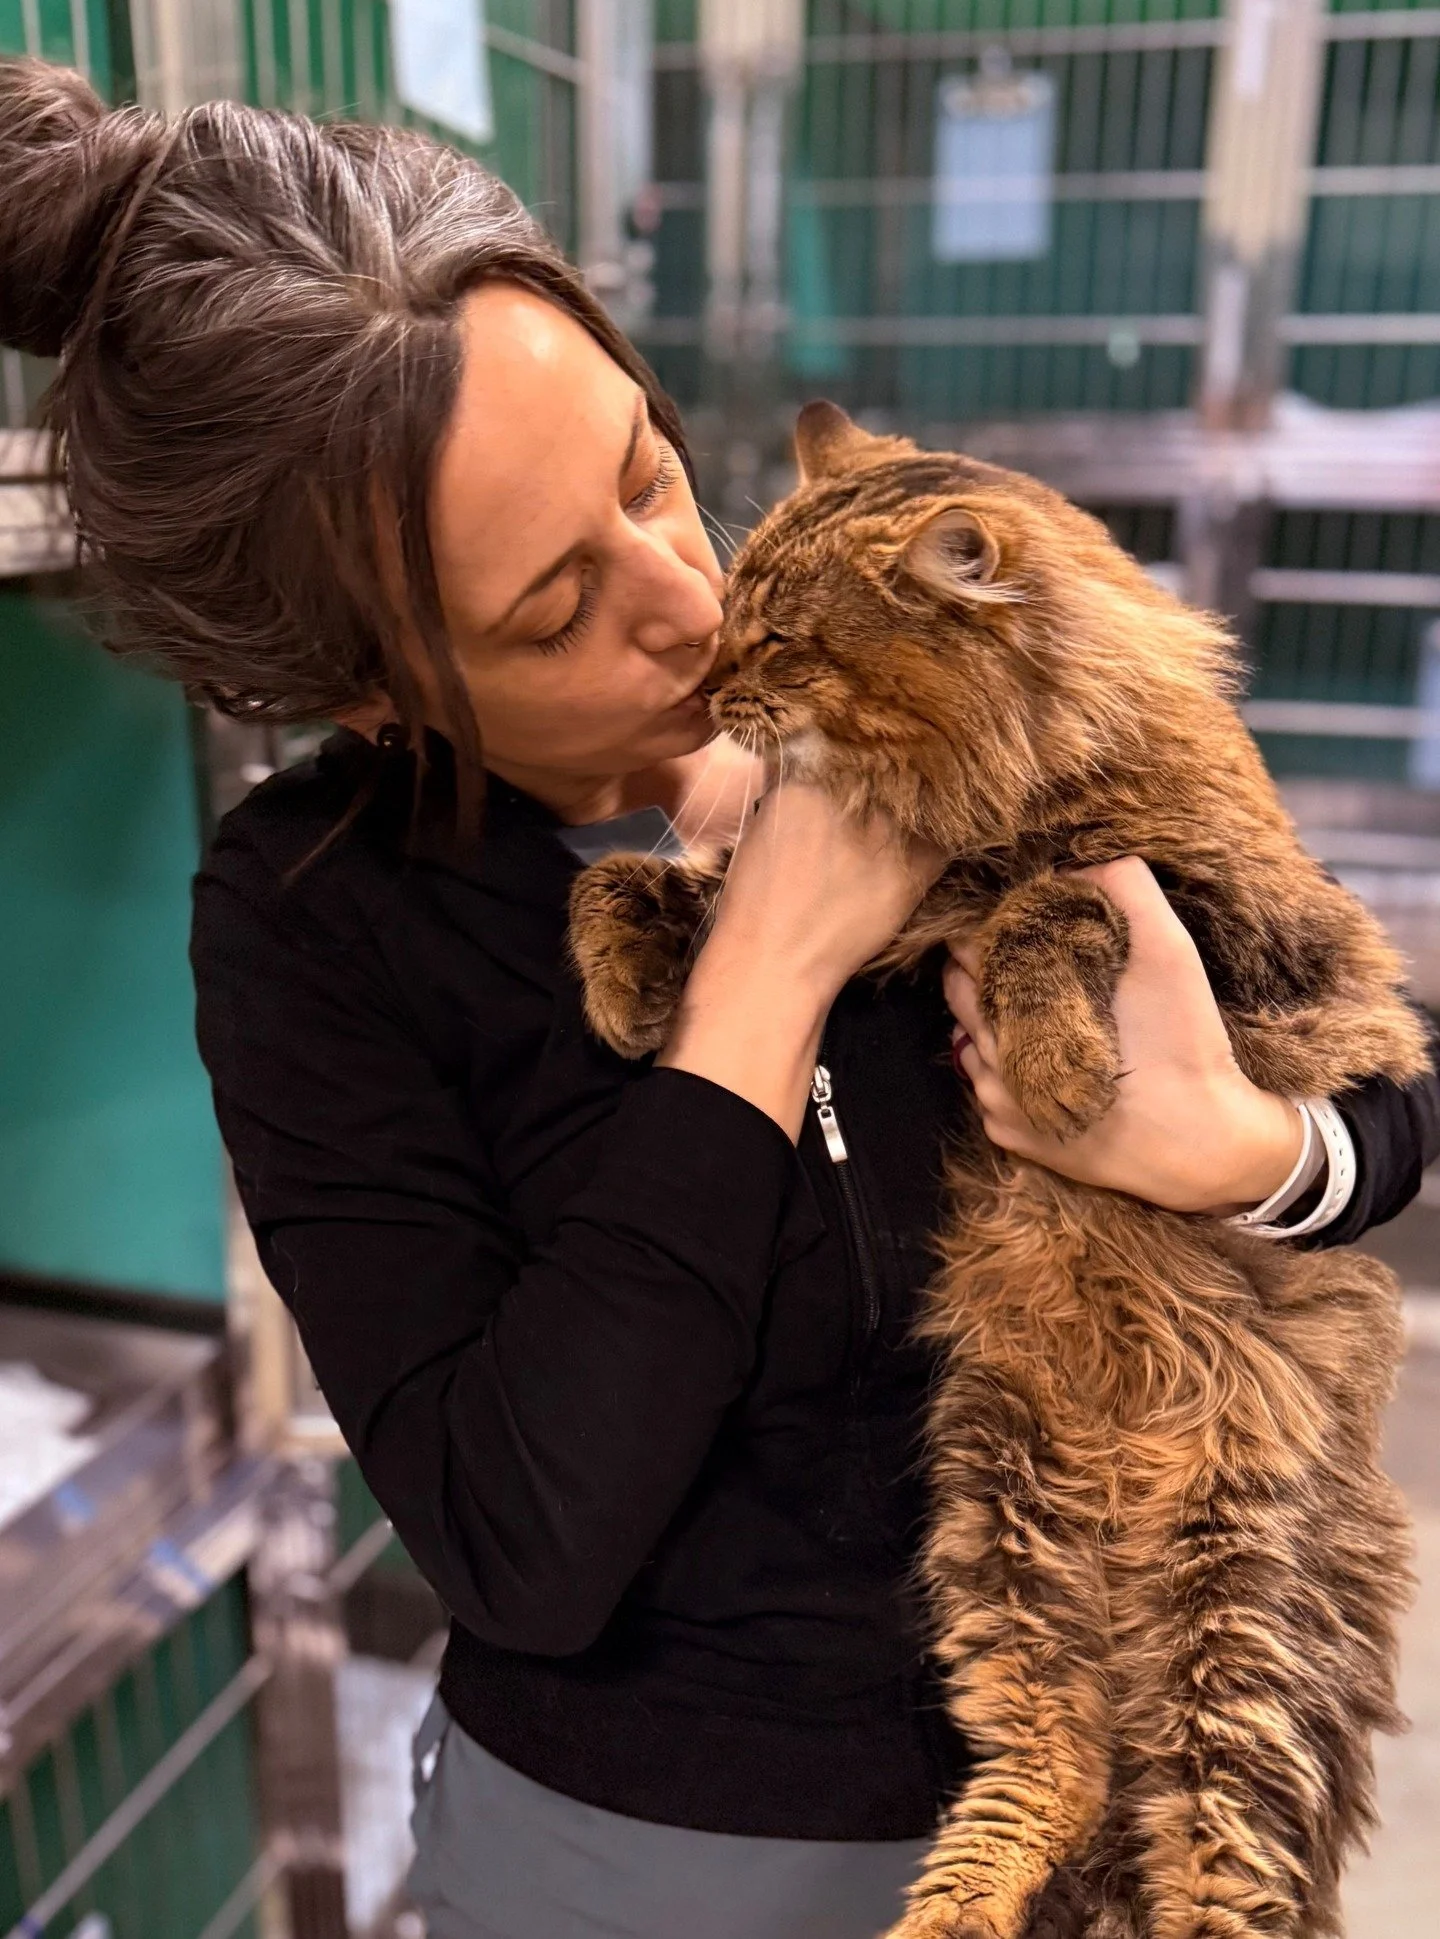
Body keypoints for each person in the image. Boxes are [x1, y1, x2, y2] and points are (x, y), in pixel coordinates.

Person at [4, 60, 1436, 1939]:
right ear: (374, 696)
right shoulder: (316, 924)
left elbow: (1379, 1105)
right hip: (659, 1857)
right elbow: (521, 1538)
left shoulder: (931, 662)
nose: (690, 602)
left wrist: (1249, 1151)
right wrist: (764, 970)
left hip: (1122, 1776)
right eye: (552, 613)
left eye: (651, 470)